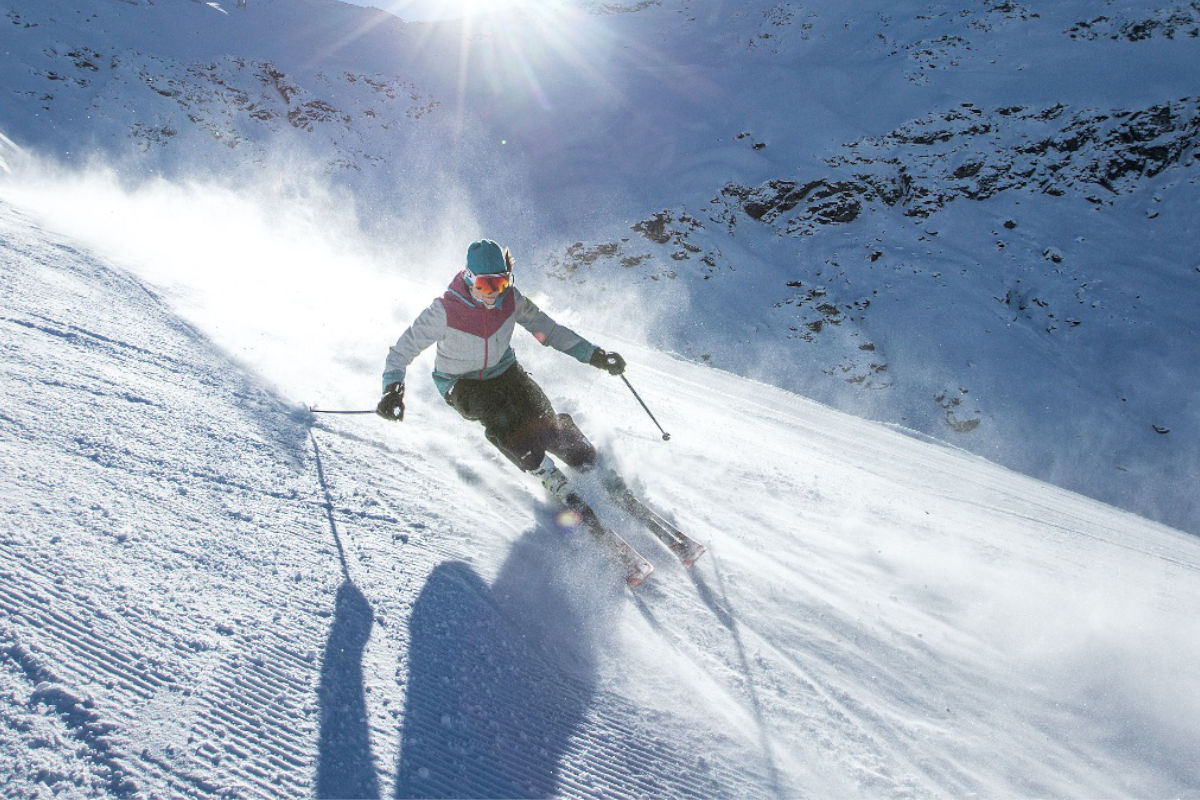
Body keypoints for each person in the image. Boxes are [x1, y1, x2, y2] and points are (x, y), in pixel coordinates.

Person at [376, 239, 627, 474]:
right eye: (485, 285)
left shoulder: (511, 300)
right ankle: (542, 469)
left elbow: (548, 331)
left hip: (505, 371)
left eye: (501, 283)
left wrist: (596, 356)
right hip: (461, 383)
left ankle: (593, 466)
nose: (493, 293)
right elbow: (402, 351)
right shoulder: (444, 311)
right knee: (503, 419)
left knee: (546, 423)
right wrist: (392, 390)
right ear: (470, 279)